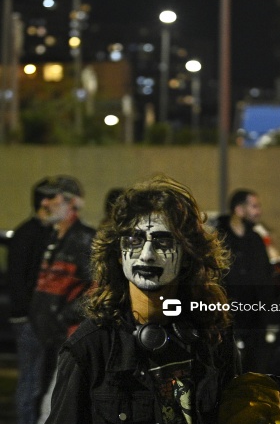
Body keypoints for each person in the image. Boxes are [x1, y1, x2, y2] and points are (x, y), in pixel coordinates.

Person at [46, 174, 241, 424]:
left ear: (188, 255)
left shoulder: (213, 335)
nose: (147, 255)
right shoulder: (89, 349)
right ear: (118, 254)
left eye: (163, 242)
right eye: (134, 240)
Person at [29, 175, 96, 423]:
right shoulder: (54, 238)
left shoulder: (85, 240)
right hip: (52, 338)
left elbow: (97, 289)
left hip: (70, 339)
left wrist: (63, 315)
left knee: (54, 407)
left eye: (51, 197)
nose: (44, 202)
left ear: (72, 203)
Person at [7, 177, 53, 424]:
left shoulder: (38, 232)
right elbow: (18, 280)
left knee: (38, 381)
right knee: (31, 382)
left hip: (34, 319)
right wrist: (32, 316)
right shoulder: (29, 234)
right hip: (29, 321)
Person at [216, 189, 274, 373]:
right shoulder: (218, 239)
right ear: (239, 210)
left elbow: (266, 276)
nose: (259, 212)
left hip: (256, 325)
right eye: (254, 206)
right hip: (228, 323)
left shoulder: (256, 240)